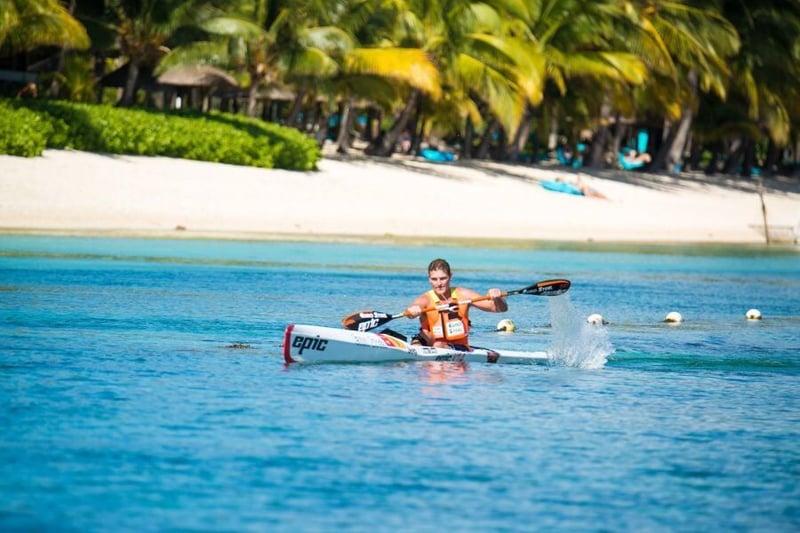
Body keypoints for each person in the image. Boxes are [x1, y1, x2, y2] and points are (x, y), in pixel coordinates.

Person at [405, 258, 508, 349]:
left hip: (457, 346)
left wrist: (498, 298)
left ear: (450, 276)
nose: (439, 283)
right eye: (434, 279)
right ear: (429, 279)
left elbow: (499, 309)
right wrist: (412, 311)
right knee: (416, 343)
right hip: (427, 344)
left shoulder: (464, 295)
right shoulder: (425, 299)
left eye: (443, 278)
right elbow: (410, 312)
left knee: (439, 345)